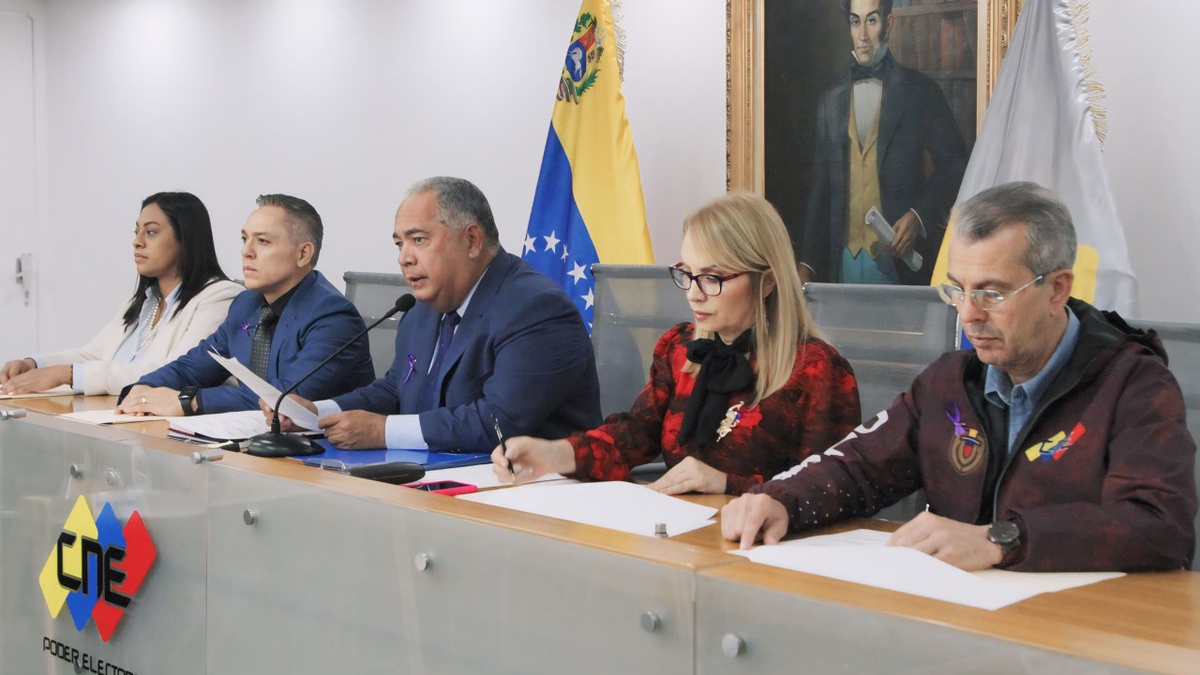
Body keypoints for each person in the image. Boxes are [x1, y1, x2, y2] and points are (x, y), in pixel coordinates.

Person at [723, 182, 1197, 572]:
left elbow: (1158, 527)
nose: (968, 315)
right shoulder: (950, 383)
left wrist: (1000, 541)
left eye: (992, 293)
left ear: (1057, 289)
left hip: (1082, 648)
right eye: (957, 290)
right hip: (961, 633)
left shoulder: (1133, 385)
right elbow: (860, 465)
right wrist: (779, 500)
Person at [491, 193, 862, 495]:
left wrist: (728, 485)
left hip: (766, 555)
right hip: (683, 539)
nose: (694, 295)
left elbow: (833, 489)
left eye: (712, 278)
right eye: (686, 274)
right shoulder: (680, 348)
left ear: (765, 282)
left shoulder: (815, 368)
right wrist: (553, 453)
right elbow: (635, 434)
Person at [270, 177, 601, 453]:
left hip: (531, 495)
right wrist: (317, 412)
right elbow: (395, 389)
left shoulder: (536, 308)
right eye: (399, 244)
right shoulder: (424, 307)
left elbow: (500, 423)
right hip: (441, 479)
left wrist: (384, 432)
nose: (404, 258)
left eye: (418, 240)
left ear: (472, 240)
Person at [116, 194, 374, 416]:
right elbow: (195, 365)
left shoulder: (332, 316)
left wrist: (187, 401)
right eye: (244, 239)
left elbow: (282, 399)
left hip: (322, 458)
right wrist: (145, 388)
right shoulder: (246, 304)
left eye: (262, 241)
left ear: (303, 254)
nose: (246, 251)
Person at [799, 0, 967, 285]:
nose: (862, 34)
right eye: (855, 21)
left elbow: (956, 165)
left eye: (871, 20)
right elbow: (820, 189)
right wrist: (807, 262)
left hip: (899, 262)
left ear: (888, 24)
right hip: (842, 263)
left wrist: (918, 217)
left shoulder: (920, 91)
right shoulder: (830, 98)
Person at [0, 191, 241, 396]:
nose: (137, 242)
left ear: (185, 239)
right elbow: (92, 354)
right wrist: (34, 364)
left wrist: (68, 375)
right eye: (136, 232)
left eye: (152, 232)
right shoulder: (144, 301)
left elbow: (174, 372)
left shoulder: (219, 297)